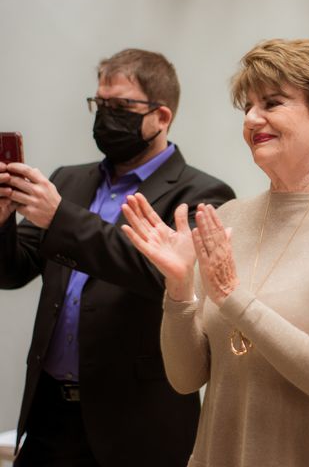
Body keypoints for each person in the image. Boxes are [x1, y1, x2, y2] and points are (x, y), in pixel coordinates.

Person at [121, 38, 309, 467]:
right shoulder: (231, 217)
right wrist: (179, 290)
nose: (252, 118)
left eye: (272, 103)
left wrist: (233, 297)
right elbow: (185, 378)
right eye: (247, 107)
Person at [0, 48, 235, 466]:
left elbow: (156, 272)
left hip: (136, 423)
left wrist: (61, 217)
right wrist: (1, 222)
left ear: (162, 117)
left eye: (122, 106)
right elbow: (12, 270)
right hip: (49, 413)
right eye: (100, 104)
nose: (106, 115)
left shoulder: (202, 195)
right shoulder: (68, 180)